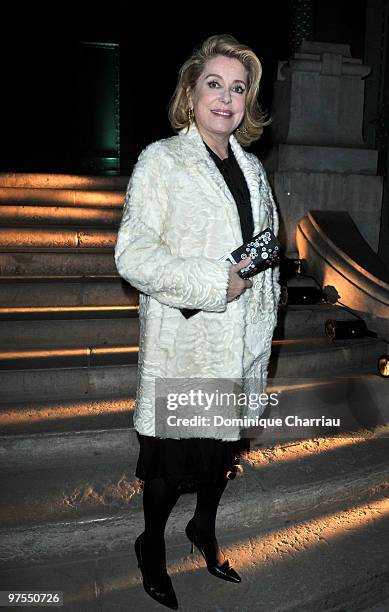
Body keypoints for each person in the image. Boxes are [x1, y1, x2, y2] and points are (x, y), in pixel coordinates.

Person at [114, 33, 281, 610]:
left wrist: (261, 287)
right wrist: (213, 284)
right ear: (191, 92)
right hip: (186, 341)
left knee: (218, 458)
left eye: (239, 88)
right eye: (215, 84)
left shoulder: (254, 168)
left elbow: (263, 246)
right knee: (168, 465)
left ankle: (203, 529)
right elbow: (132, 255)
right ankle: (151, 546)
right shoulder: (161, 160)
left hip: (239, 346)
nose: (227, 99)